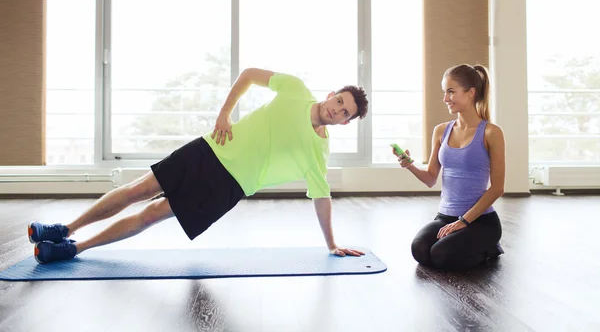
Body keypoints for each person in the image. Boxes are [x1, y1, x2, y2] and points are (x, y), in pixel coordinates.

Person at [28, 68, 369, 264]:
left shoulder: (318, 151)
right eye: (339, 101)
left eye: (345, 113)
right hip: (209, 150)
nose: (336, 110)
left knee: (150, 215)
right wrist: (224, 113)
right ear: (330, 94)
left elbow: (321, 197)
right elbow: (249, 74)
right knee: (137, 190)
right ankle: (66, 228)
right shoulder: (295, 89)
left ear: (345, 123)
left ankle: (74, 249)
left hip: (227, 188)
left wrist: (331, 244)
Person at [394, 64, 505, 271]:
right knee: (420, 250)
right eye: (444, 92)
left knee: (442, 256)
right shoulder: (441, 131)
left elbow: (497, 188)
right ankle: (462, 242)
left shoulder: (491, 132)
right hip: (445, 216)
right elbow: (430, 179)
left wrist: (463, 221)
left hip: (480, 220)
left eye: (451, 91)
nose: (445, 98)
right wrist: (409, 165)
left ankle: (490, 248)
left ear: (471, 93)